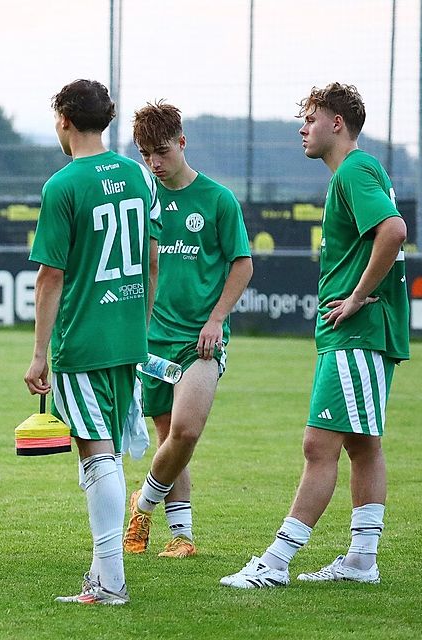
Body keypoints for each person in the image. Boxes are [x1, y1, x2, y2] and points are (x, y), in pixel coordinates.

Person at [222, 83, 409, 588]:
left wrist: (354, 297)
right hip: (365, 333)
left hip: (357, 333)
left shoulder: (353, 169)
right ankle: (361, 561)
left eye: (310, 118)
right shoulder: (353, 173)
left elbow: (393, 231)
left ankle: (276, 563)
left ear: (338, 124)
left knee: (317, 445)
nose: (302, 128)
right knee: (363, 445)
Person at [24, 79, 160, 605]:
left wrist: (40, 353)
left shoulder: (63, 185)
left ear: (63, 118)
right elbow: (151, 258)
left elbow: (49, 277)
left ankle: (109, 581)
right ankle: (105, 575)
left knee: (95, 453)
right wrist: (137, 321)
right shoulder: (136, 174)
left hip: (82, 338)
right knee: (108, 453)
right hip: (127, 336)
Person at [123, 101, 253, 559]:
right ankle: (182, 536)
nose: (154, 163)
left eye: (161, 151)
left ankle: (142, 504)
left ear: (182, 142)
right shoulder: (142, 202)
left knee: (186, 432)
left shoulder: (217, 199)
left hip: (199, 339)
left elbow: (243, 264)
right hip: (149, 339)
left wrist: (216, 318)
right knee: (168, 439)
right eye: (145, 154)